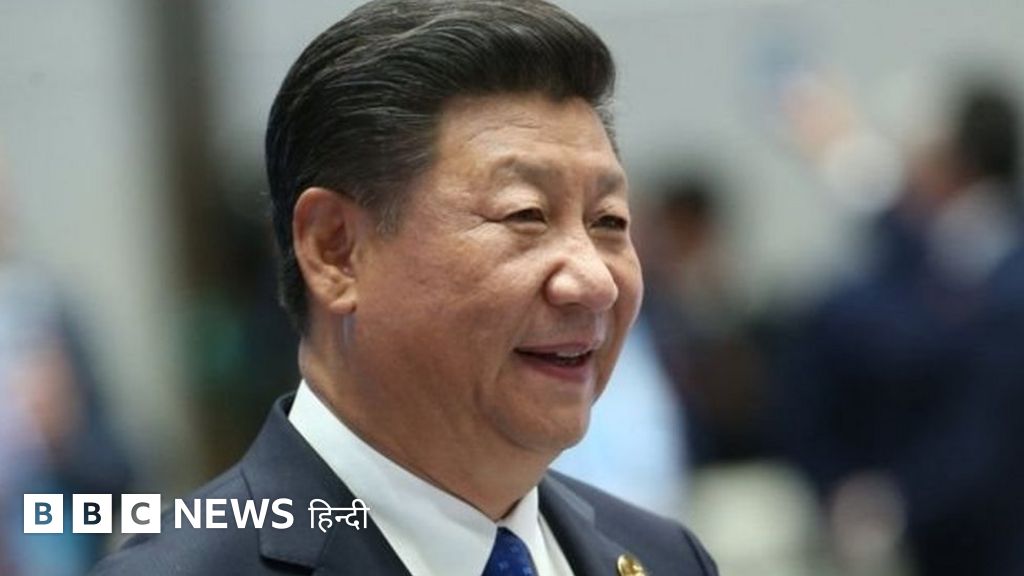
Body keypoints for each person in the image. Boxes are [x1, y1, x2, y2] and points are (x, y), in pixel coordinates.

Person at [91, 1, 718, 575]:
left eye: (609, 222)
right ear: (336, 250)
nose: (595, 282)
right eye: (526, 214)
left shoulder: (667, 559)